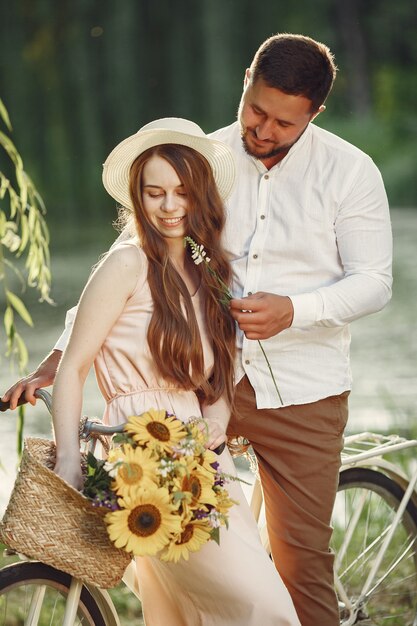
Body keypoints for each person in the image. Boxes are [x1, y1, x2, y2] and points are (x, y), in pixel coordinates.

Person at [3, 34, 393, 626]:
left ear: (314, 113)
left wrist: (296, 309)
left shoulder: (350, 172)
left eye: (283, 123)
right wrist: (60, 358)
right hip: (198, 393)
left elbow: (375, 282)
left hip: (304, 391)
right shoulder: (198, 159)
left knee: (298, 566)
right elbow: (125, 263)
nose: (262, 130)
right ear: (244, 81)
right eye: (256, 110)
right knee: (181, 558)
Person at [48, 118, 301, 626]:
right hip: (141, 458)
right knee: (262, 608)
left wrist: (220, 414)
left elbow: (220, 367)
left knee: (194, 609)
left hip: (200, 459)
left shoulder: (205, 266)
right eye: (155, 192)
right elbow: (72, 368)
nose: (169, 206)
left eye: (182, 192)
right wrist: (71, 461)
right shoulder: (126, 264)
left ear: (200, 194)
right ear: (137, 198)